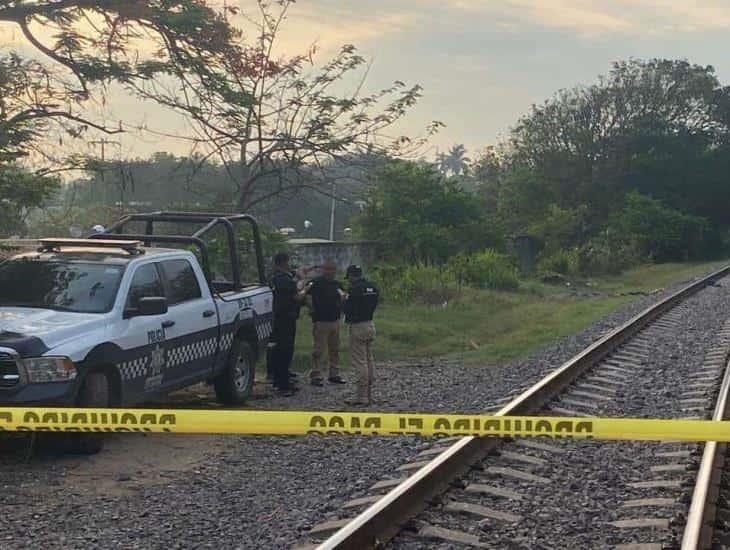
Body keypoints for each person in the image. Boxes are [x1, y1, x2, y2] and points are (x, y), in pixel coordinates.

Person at [268, 252, 305, 396]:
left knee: (278, 350)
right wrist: (305, 285)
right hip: (286, 319)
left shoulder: (274, 278)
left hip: (277, 318)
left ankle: (279, 379)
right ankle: (283, 384)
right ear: (284, 263)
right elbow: (297, 296)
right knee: (285, 350)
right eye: (288, 262)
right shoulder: (284, 280)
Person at [342, 265, 379, 406]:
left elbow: (347, 308)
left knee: (360, 362)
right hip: (370, 323)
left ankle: (362, 397)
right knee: (369, 360)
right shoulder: (373, 287)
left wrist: (344, 299)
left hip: (357, 326)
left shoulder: (354, 289)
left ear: (352, 276)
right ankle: (369, 394)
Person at [305, 260, 346, 387]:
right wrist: (311, 308)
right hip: (321, 321)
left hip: (335, 321)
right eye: (327, 269)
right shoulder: (316, 282)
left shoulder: (337, 284)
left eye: (332, 269)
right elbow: (304, 294)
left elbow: (343, 298)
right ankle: (316, 375)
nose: (330, 271)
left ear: (335, 270)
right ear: (323, 270)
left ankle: (334, 374)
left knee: (335, 349)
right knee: (318, 350)